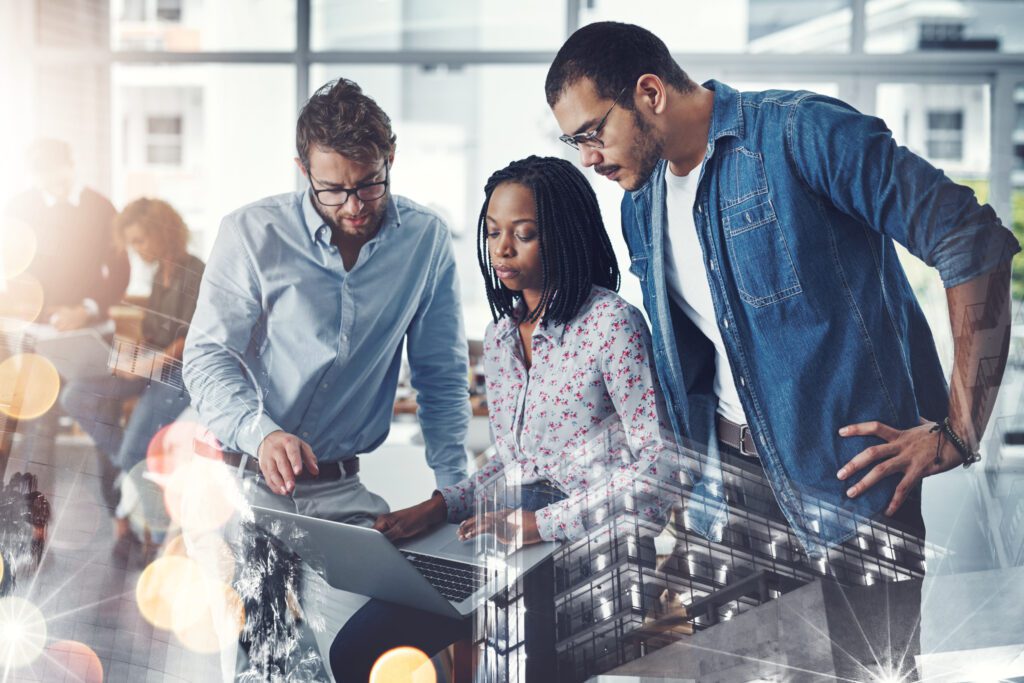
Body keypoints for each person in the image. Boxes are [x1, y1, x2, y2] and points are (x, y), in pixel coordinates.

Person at [544, 21, 1019, 679]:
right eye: (573, 142)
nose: (588, 158)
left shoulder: (802, 134)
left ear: (649, 91)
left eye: (592, 132)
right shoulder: (641, 204)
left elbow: (972, 240)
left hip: (850, 496)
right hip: (734, 504)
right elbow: (695, 368)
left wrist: (961, 428)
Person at [182, 78, 472, 682]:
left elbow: (440, 375)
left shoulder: (424, 241)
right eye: (333, 189)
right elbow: (206, 359)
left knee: (390, 654)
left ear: (390, 158)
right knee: (271, 665)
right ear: (301, 168)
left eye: (369, 182)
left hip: (342, 496)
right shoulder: (252, 235)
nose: (354, 205)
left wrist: (453, 494)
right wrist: (262, 433)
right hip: (243, 486)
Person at [371, 156, 682, 682]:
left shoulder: (613, 325)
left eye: (525, 233)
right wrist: (441, 504)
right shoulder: (500, 337)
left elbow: (660, 471)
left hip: (593, 554)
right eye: (493, 232)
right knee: (369, 642)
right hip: (511, 541)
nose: (502, 249)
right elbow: (518, 465)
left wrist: (539, 525)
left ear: (562, 234)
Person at [61, 198, 202, 562]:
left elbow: (191, 338)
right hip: (151, 363)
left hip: (178, 372)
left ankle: (157, 538)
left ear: (162, 233)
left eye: (140, 240)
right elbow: (156, 331)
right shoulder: (160, 274)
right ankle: (127, 461)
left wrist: (151, 362)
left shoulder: (194, 271)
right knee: (76, 395)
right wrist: (132, 355)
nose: (136, 250)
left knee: (135, 453)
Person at [4, 139, 130, 462]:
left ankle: (116, 506)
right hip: (38, 335)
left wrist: (86, 309)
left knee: (102, 417)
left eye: (59, 178)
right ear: (34, 175)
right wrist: (39, 311)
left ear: (71, 167)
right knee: (38, 426)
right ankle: (33, 513)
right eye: (45, 179)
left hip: (90, 332)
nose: (55, 188)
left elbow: (120, 271)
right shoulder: (20, 207)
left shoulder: (101, 207)